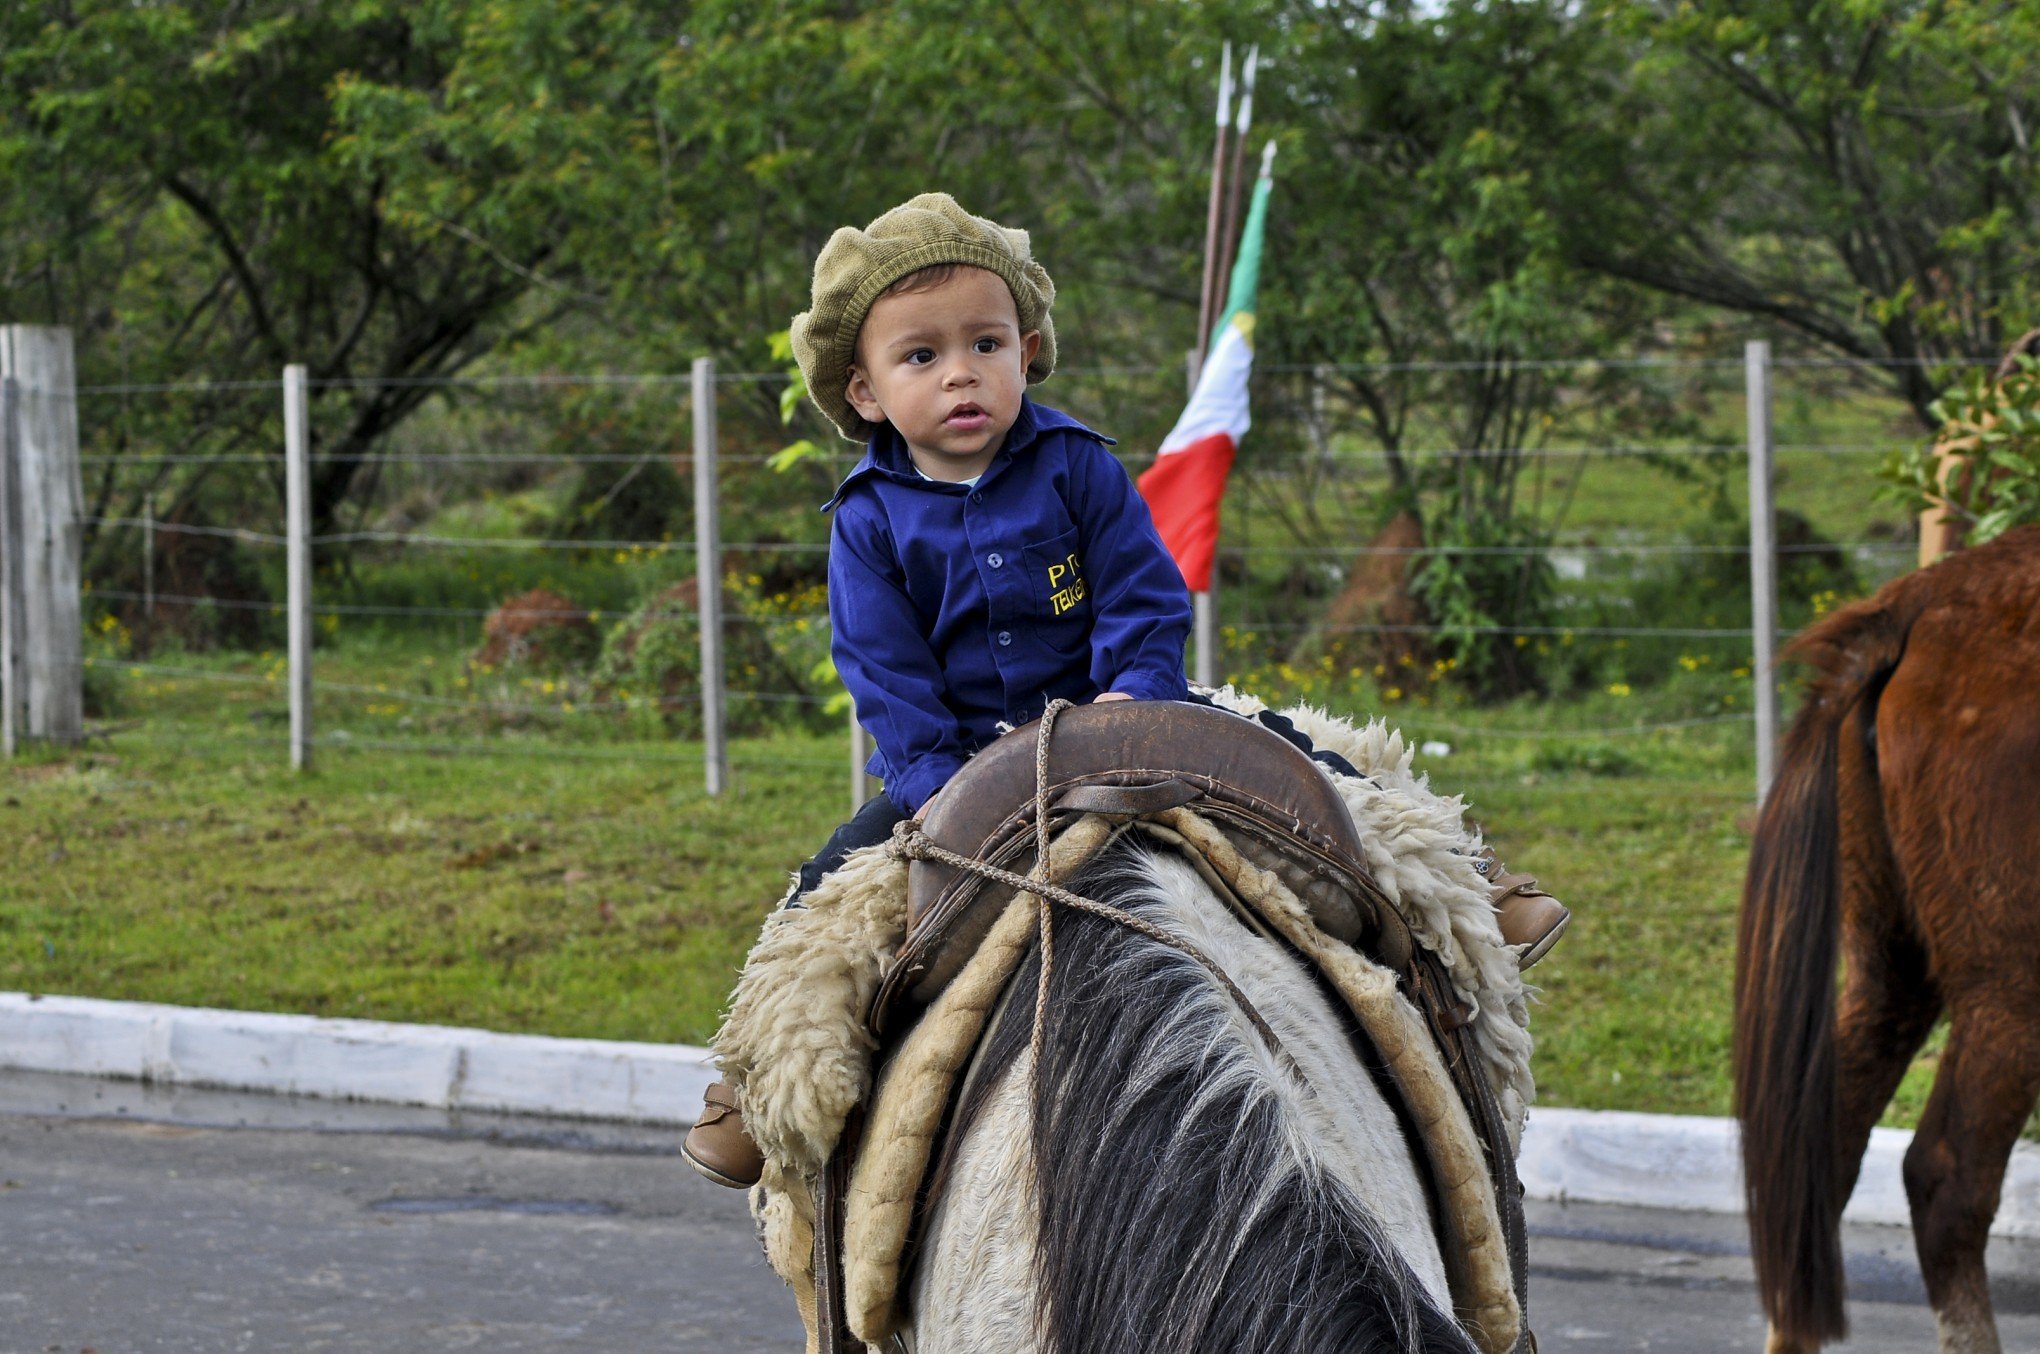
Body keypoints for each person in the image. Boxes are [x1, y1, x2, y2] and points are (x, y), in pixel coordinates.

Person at [682, 194, 1566, 1189]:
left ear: (1027, 350)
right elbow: (884, 675)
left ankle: (1463, 889)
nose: (961, 371)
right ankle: (754, 1077)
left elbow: (1144, 594)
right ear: (869, 391)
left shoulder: (1076, 467)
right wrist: (937, 780)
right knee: (832, 891)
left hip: (1118, 715)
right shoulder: (867, 524)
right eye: (921, 356)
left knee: (1302, 759)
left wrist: (1137, 692)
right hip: (961, 756)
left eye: (986, 342)